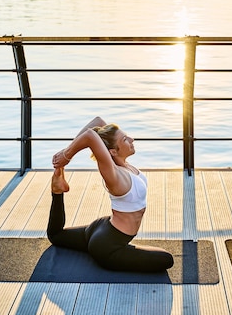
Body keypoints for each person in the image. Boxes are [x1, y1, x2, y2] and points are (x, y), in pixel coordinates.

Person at [48, 116, 174, 272]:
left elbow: (98, 122)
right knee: (166, 260)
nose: (131, 139)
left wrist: (63, 153)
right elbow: (89, 135)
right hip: (108, 247)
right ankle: (57, 192)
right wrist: (66, 156)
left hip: (102, 227)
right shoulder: (114, 176)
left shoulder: (121, 163)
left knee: (57, 236)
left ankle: (57, 190)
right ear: (113, 151)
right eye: (125, 140)